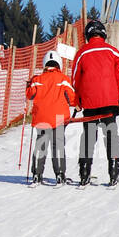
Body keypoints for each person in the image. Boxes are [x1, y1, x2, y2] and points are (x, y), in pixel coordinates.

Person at [71, 20, 119, 187]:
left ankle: (84, 174)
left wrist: (77, 100)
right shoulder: (114, 52)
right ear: (103, 34)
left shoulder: (81, 53)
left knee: (88, 137)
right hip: (110, 101)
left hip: (89, 102)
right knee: (111, 135)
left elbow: (75, 79)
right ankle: (114, 172)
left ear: (88, 35)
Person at [25, 51, 77, 185]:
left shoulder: (37, 80)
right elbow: (72, 99)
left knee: (40, 145)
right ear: (58, 64)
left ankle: (36, 174)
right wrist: (78, 104)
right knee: (58, 145)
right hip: (59, 118)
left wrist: (28, 84)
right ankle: (60, 175)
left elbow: (30, 95)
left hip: (41, 117)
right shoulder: (64, 79)